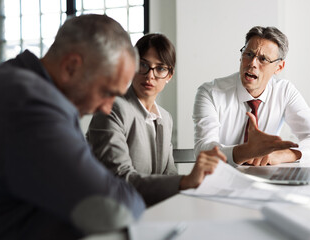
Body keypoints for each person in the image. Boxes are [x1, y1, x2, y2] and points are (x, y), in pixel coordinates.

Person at [0, 14, 146, 240]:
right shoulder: (31, 104)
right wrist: (127, 195)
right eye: (107, 93)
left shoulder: (15, 78)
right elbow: (111, 209)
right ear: (71, 67)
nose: (107, 109)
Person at [86, 33, 227, 206]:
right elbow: (120, 178)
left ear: (169, 75)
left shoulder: (165, 118)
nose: (150, 76)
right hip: (112, 209)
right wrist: (185, 181)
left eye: (160, 68)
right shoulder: (112, 108)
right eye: (143, 65)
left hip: (152, 209)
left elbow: (168, 174)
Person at [193, 26, 310, 167]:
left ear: (279, 67)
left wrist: (282, 155)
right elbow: (203, 150)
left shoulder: (284, 91)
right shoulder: (210, 92)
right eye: (249, 54)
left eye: (263, 59)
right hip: (219, 179)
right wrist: (246, 152)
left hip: (265, 180)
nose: (252, 64)